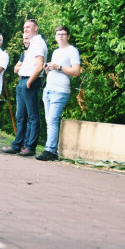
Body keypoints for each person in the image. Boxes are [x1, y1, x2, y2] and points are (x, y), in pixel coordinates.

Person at [2, 19, 47, 156]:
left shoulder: (39, 43)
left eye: (28, 27)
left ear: (36, 29)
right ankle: (17, 144)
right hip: (22, 80)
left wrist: (29, 82)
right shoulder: (31, 45)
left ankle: (30, 147)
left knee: (32, 116)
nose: (25, 29)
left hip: (30, 81)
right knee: (20, 115)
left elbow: (40, 66)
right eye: (24, 27)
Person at [37, 26, 81, 162]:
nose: (60, 36)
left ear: (68, 36)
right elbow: (54, 69)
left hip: (60, 91)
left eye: (63, 34)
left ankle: (50, 150)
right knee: (49, 121)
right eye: (58, 34)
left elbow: (76, 71)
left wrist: (59, 67)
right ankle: (51, 149)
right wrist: (49, 68)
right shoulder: (55, 52)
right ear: (55, 37)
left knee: (52, 121)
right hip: (49, 89)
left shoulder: (73, 51)